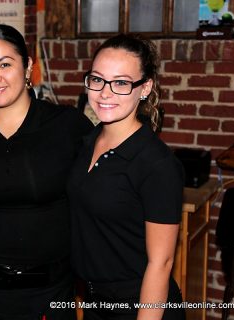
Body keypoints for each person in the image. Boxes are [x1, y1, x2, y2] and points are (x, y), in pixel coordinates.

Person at [0, 24, 94, 320]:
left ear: (28, 67)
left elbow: (98, 196)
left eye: (5, 64)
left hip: (48, 295)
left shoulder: (67, 126)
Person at [68, 33, 185, 319]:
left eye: (121, 83)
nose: (104, 93)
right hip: (95, 302)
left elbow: (161, 262)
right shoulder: (86, 142)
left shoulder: (156, 164)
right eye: (97, 79)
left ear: (144, 88)